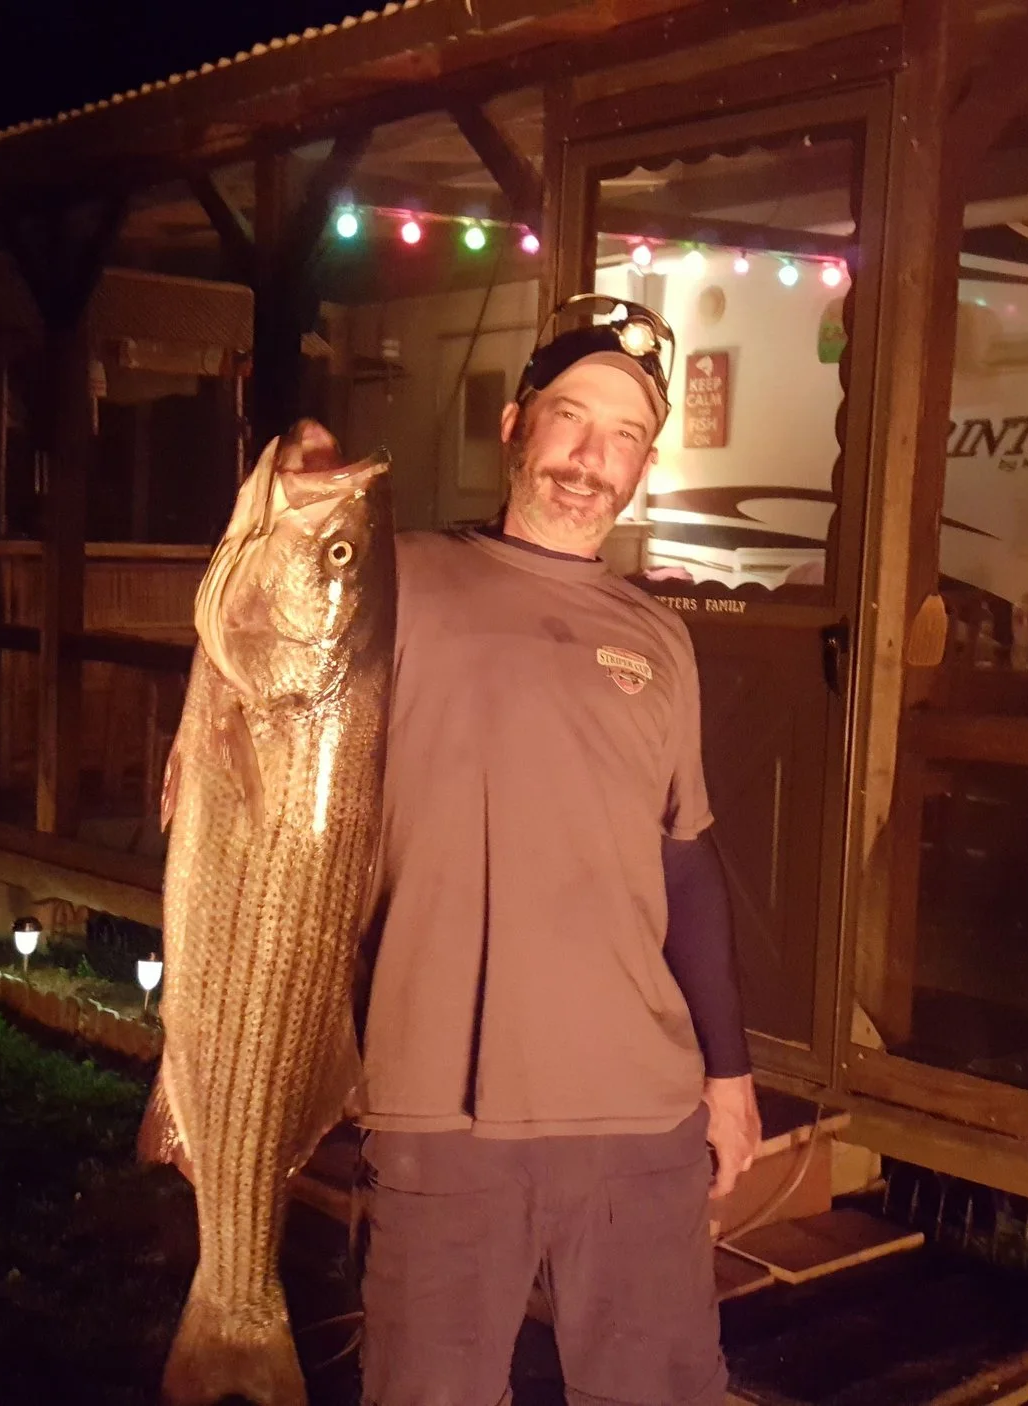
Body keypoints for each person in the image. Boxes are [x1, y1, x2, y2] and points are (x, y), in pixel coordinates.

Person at [283, 295, 760, 1405]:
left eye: (625, 435)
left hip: (640, 1116)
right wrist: (295, 492)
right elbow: (267, 669)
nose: (592, 458)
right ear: (512, 425)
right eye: (569, 419)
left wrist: (728, 1080)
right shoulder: (391, 583)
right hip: (442, 1113)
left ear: (644, 461)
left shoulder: (659, 638)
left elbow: (684, 865)